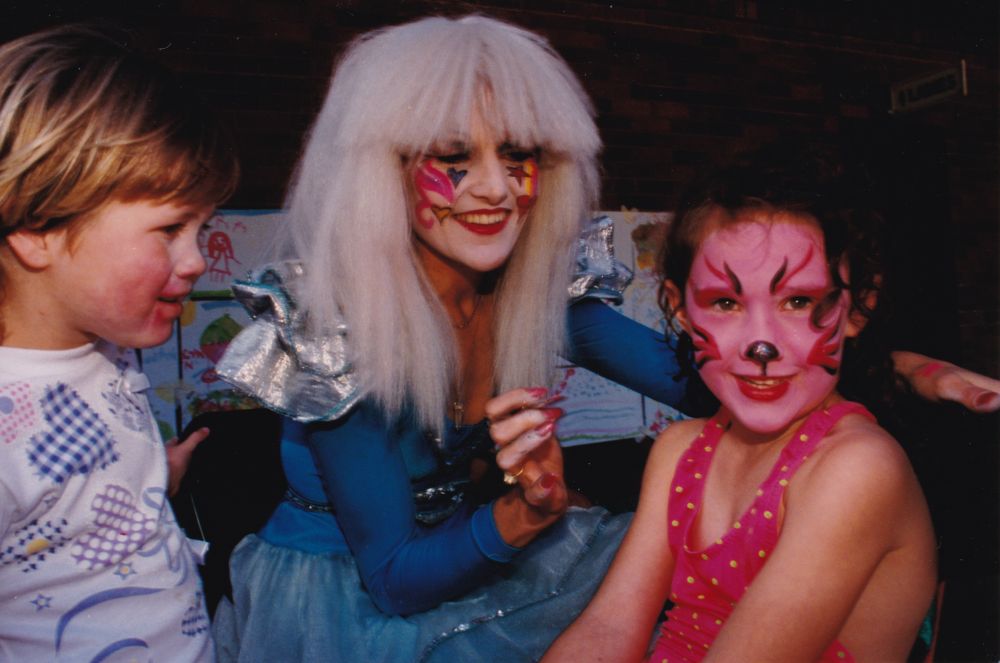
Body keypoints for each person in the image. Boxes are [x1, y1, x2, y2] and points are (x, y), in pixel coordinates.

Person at [210, 14, 997, 663]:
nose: (492, 188)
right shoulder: (340, 330)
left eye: (516, 155)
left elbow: (712, 378)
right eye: (454, 158)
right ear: (383, 172)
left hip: (474, 552)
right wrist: (529, 512)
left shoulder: (536, 295)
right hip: (348, 594)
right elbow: (393, 579)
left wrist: (890, 366)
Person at [542, 143, 939, 662]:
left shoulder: (855, 468)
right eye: (725, 303)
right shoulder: (680, 449)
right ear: (682, 312)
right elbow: (610, 628)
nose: (761, 347)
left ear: (857, 308)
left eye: (798, 301)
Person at [0, 24, 238, 661]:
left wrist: (149, 480)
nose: (193, 261)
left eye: (201, 228)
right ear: (37, 227)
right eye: (168, 229)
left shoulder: (104, 346)